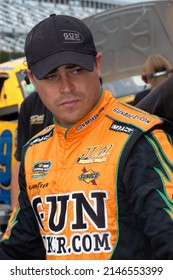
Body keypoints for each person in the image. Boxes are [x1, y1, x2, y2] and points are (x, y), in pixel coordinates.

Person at [1, 14, 173, 260]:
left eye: (76, 70)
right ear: (31, 80)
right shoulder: (34, 152)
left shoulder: (142, 140)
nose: (66, 86)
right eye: (51, 76)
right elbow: (18, 253)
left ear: (97, 64)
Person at [10, 91, 53, 210]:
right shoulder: (29, 104)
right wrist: (15, 210)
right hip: (37, 198)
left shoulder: (77, 101)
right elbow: (20, 161)